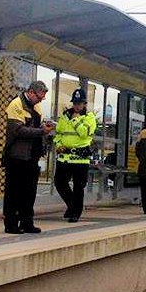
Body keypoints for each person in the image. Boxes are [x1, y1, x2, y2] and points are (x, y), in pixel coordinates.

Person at [2, 81, 53, 234]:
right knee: (14, 191)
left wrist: (44, 129)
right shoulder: (16, 105)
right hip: (17, 156)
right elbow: (18, 130)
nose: (41, 100)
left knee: (29, 191)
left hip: (32, 156)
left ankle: (27, 222)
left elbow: (36, 127)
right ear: (30, 92)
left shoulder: (36, 107)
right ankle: (11, 223)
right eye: (39, 97)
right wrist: (41, 131)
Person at [53, 88, 97, 222]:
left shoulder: (90, 118)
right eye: (75, 103)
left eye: (79, 103)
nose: (77, 106)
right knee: (59, 183)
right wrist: (58, 144)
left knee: (79, 187)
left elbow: (84, 133)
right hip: (64, 158)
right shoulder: (64, 116)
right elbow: (58, 133)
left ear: (84, 104)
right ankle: (72, 205)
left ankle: (75, 213)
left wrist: (75, 120)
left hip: (80, 159)